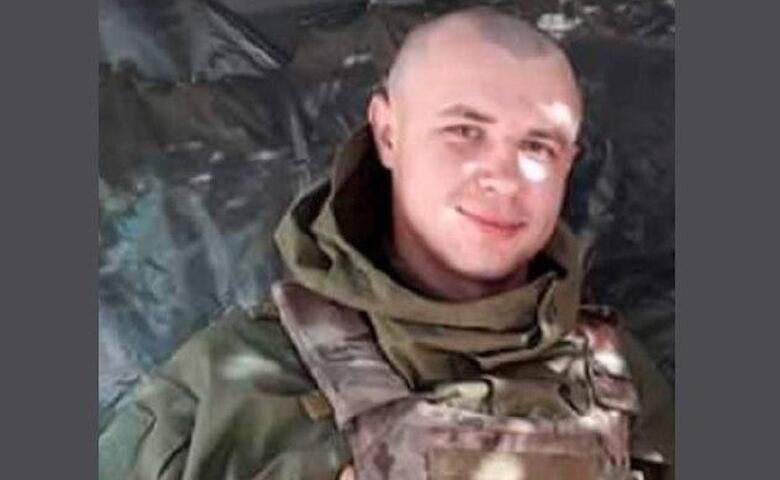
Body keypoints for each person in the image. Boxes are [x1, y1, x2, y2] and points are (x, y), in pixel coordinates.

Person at [99, 6, 674, 480]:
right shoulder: (227, 387)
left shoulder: (620, 379)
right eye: (465, 131)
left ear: (569, 162)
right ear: (387, 133)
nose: (504, 178)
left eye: (538, 147)